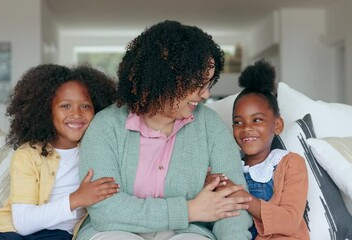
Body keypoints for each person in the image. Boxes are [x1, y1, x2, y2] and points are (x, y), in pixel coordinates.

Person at [77, 20, 253, 240]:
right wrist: (189, 210)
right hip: (112, 232)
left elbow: (232, 204)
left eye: (209, 84)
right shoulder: (105, 126)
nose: (206, 94)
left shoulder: (211, 126)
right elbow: (107, 210)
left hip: (186, 233)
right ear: (165, 77)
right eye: (199, 83)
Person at [0, 64, 119, 240]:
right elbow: (23, 223)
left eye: (85, 106)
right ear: (45, 110)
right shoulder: (28, 154)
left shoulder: (101, 150)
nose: (76, 114)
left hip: (59, 235)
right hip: (10, 232)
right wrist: (77, 199)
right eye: (65, 106)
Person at [208, 60, 309, 239]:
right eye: (238, 122)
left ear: (277, 125)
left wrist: (239, 195)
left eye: (257, 120)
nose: (246, 128)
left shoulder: (290, 164)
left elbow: (290, 221)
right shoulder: (231, 166)